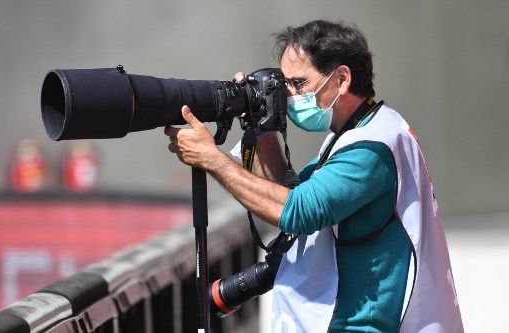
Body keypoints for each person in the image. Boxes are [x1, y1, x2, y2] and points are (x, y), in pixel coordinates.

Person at [165, 19, 463, 333]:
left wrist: (212, 160)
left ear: (341, 79)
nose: (290, 96)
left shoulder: (373, 147)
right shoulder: (361, 131)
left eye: (298, 83)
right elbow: (286, 192)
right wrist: (261, 127)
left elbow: (297, 212)